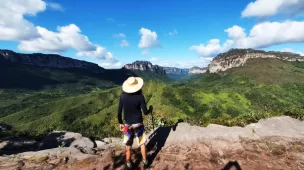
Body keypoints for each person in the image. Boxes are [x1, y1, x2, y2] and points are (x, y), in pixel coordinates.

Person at [117, 76, 153, 169]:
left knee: (128, 144)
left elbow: (119, 112)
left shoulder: (122, 96)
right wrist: (150, 109)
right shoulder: (140, 97)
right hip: (138, 124)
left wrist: (120, 123)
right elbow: (145, 112)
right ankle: (145, 162)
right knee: (142, 143)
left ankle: (128, 163)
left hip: (127, 125)